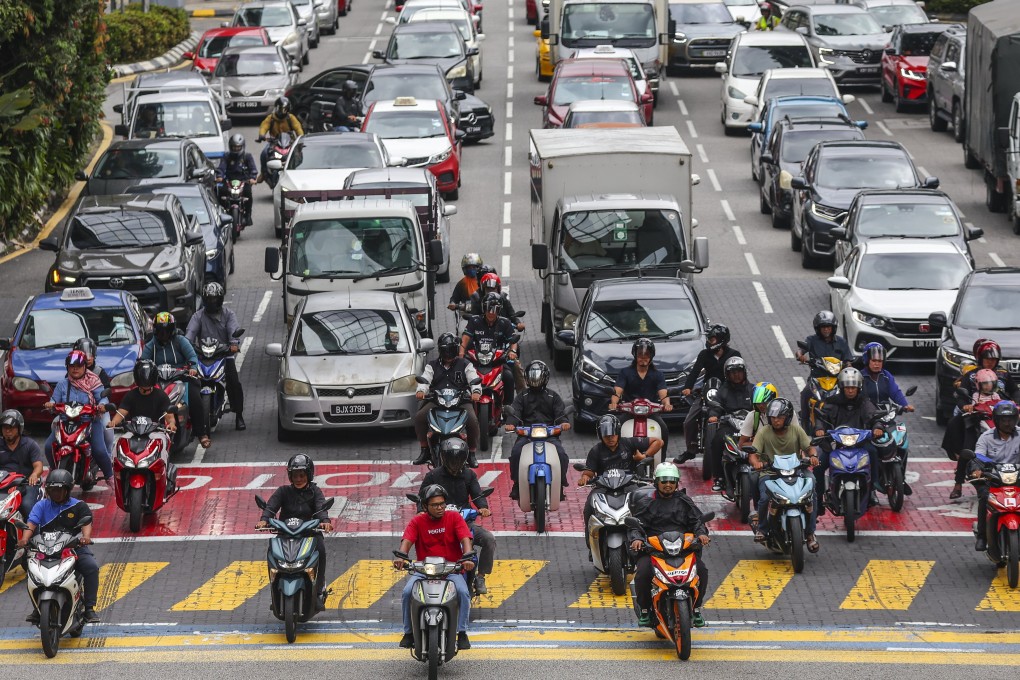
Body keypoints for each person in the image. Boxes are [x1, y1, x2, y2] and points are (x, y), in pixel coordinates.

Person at [628, 462, 710, 628]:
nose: (668, 485)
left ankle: (696, 609)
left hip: (683, 549)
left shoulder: (685, 501)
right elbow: (636, 526)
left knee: (702, 571)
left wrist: (701, 534)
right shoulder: (646, 503)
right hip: (654, 550)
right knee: (643, 573)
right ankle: (644, 610)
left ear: (677, 483)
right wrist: (636, 539)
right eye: (664, 481)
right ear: (656, 482)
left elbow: (697, 521)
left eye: (672, 481)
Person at [394, 484, 474, 650]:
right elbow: (407, 541)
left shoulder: (454, 517)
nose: (440, 508)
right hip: (423, 570)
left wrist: (467, 556)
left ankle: (462, 632)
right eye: (435, 505)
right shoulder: (417, 521)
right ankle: (408, 633)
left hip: (451, 569)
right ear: (425, 506)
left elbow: (465, 538)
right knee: (407, 592)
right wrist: (401, 557)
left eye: (442, 504)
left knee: (464, 593)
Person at [18, 469, 101, 623]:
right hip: (46, 549)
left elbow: (86, 523)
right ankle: (38, 608)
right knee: (31, 570)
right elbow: (31, 523)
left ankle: (89, 609)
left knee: (91, 567)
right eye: (52, 490)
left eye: (59, 490)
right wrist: (24, 539)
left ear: (68, 490)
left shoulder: (79, 506)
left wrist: (86, 537)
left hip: (73, 548)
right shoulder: (41, 505)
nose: (55, 493)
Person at [419, 439, 495, 594]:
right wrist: (421, 510)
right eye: (451, 459)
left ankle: (480, 576)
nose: (455, 463)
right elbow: (422, 497)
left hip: (465, 522)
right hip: (440, 523)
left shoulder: (469, 475)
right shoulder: (433, 475)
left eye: (458, 459)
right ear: (444, 458)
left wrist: (483, 507)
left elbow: (477, 494)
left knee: (488, 539)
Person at [257, 454, 333, 608]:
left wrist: (325, 522)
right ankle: (275, 591)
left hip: (310, 534)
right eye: (294, 475)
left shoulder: (315, 491)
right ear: (289, 476)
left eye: (302, 475)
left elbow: (321, 508)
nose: (298, 479)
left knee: (321, 550)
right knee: (271, 552)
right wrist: (264, 519)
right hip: (285, 534)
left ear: (309, 475)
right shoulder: (283, 491)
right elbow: (271, 507)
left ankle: (319, 589)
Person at [578, 414, 661, 550]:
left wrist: (644, 456)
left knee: (645, 504)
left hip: (630, 484)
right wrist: (585, 478)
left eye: (613, 435)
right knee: (588, 507)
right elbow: (589, 471)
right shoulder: (596, 451)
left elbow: (658, 442)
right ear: (600, 435)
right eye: (606, 436)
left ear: (618, 433)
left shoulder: (629, 443)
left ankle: (648, 537)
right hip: (603, 487)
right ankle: (590, 541)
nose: (610, 438)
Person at [748, 397, 819, 553]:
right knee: (765, 498)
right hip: (770, 472)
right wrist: (756, 463)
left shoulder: (796, 430)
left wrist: (813, 456)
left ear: (787, 417)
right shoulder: (764, 432)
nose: (776, 421)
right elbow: (753, 454)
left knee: (812, 489)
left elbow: (809, 448)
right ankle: (763, 528)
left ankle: (811, 533)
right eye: (773, 417)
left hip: (796, 470)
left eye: (779, 417)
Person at [815, 367, 888, 505]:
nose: (850, 390)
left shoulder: (864, 402)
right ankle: (818, 499)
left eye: (853, 388)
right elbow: (821, 418)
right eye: (847, 387)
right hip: (835, 444)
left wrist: (877, 427)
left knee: (873, 452)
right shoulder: (832, 402)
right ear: (842, 387)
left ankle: (872, 487)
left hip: (860, 443)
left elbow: (874, 416)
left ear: (859, 388)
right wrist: (819, 429)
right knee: (819, 465)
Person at [107, 360, 180, 498]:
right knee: (120, 443)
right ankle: (120, 475)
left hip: (156, 431)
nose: (144, 389)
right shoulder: (131, 395)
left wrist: (171, 424)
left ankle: (166, 479)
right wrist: (113, 422)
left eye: (147, 386)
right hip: (133, 431)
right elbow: (121, 413)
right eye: (142, 386)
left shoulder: (161, 396)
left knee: (164, 444)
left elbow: (169, 417)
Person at [43, 349, 114, 482]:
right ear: (67, 367)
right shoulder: (62, 384)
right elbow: (54, 400)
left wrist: (102, 405)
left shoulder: (93, 381)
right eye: (72, 366)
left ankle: (110, 477)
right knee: (48, 446)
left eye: (79, 366)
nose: (75, 369)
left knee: (99, 450)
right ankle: (53, 470)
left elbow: (102, 398)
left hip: (89, 421)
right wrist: (50, 404)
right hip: (65, 422)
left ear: (85, 367)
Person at [504, 360, 571, 500]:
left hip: (549, 435)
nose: (535, 380)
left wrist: (564, 423)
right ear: (527, 378)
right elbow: (515, 411)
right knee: (516, 452)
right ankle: (517, 483)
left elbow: (560, 413)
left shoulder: (553, 396)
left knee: (562, 454)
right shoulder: (522, 396)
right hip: (526, 435)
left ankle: (560, 483)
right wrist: (511, 423)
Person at [142, 312, 210, 448]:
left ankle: (201, 433)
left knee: (195, 398)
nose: (163, 334)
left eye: (166, 330)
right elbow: (143, 361)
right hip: (159, 380)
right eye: (160, 330)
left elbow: (192, 357)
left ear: (172, 329)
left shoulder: (180, 341)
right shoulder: (151, 345)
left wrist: (193, 368)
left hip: (183, 378)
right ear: (155, 330)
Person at [413, 332, 482, 466]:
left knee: (473, 420)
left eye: (451, 350)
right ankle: (425, 449)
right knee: (419, 417)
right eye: (445, 350)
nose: (448, 354)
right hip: (436, 401)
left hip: (460, 401)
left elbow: (474, 379)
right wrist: (421, 390)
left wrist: (476, 391)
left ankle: (472, 453)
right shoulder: (431, 365)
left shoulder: (465, 364)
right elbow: (425, 380)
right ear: (440, 350)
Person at [185, 282, 246, 431]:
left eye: (215, 299)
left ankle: (239, 415)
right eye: (209, 299)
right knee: (189, 381)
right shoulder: (198, 316)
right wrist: (186, 345)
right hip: (202, 356)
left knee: (233, 382)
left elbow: (234, 331)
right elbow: (190, 334)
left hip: (224, 355)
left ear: (220, 299)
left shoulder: (229, 314)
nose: (212, 302)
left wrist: (234, 343)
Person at [679, 323, 741, 463]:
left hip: (727, 393)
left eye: (712, 339)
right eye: (708, 339)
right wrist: (688, 387)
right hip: (706, 392)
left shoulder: (734, 355)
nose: (709, 342)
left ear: (722, 340)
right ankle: (691, 449)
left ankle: (737, 445)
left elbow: (739, 375)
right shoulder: (704, 354)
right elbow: (695, 372)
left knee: (738, 418)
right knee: (689, 421)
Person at [970, 401, 1020, 552]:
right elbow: (978, 456)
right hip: (993, 479)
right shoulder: (986, 437)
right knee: (984, 498)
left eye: (1010, 419)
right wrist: (978, 470)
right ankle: (982, 536)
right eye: (1004, 420)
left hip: (1017, 478)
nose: (1007, 423)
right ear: (996, 421)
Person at [703, 356, 754, 492]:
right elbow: (716, 406)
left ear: (744, 372)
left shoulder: (753, 389)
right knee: (717, 441)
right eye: (733, 372)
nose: (736, 375)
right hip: (730, 425)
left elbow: (761, 404)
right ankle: (719, 477)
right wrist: (713, 416)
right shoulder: (723, 391)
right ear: (727, 374)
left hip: (750, 425)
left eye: (739, 371)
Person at [796, 311, 854, 429]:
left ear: (833, 328)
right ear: (818, 328)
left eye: (828, 327)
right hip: (817, 378)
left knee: (851, 395)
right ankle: (804, 424)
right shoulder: (811, 340)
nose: (826, 330)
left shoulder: (841, 342)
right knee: (805, 393)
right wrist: (800, 355)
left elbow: (848, 360)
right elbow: (800, 351)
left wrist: (849, 366)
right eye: (823, 327)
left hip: (837, 380)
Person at [461, 292, 520, 405]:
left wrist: (512, 351)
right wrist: (461, 354)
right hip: (476, 360)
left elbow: (513, 341)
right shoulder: (474, 321)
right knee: (461, 374)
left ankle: (508, 407)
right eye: (489, 309)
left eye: (495, 310)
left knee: (509, 376)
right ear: (484, 308)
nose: (491, 313)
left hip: (498, 360)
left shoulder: (505, 323)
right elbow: (465, 338)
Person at [609, 337, 674, 415]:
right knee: (619, 426)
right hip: (629, 413)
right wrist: (614, 403)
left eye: (646, 354)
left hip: (651, 414)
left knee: (663, 427)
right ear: (635, 355)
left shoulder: (658, 374)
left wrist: (667, 404)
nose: (643, 357)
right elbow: (617, 392)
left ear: (651, 356)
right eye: (640, 354)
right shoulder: (625, 372)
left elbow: (663, 395)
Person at [0, 409, 45, 520]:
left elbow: (38, 466)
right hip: (3, 484)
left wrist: (34, 475)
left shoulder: (30, 444)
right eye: (5, 428)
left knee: (27, 506)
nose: (7, 431)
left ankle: (34, 535)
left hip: (25, 485)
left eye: (11, 428)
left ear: (19, 428)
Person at [856, 343, 913, 412]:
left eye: (880, 361)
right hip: (865, 415)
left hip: (885, 414)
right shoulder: (859, 376)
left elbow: (895, 392)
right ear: (867, 361)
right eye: (874, 360)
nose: (877, 364)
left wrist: (904, 405)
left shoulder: (886, 376)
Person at [257, 96, 305, 180]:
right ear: (276, 107)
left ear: (288, 109)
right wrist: (262, 135)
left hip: (289, 142)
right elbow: (264, 126)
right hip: (274, 142)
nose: (281, 111)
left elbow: (298, 128)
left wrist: (301, 138)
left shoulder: (291, 118)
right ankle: (263, 173)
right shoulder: (271, 118)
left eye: (284, 109)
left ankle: (300, 171)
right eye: (280, 108)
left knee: (299, 154)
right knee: (264, 153)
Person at [216, 133, 258, 227]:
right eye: (234, 147)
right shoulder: (226, 156)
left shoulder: (247, 156)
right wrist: (219, 176)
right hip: (229, 181)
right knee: (221, 193)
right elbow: (221, 168)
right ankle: (220, 215)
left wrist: (252, 178)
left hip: (244, 181)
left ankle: (247, 216)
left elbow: (253, 169)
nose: (236, 149)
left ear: (242, 146)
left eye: (238, 147)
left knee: (248, 194)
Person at [737, 381, 778, 450]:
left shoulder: (788, 414)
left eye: (764, 403)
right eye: (758, 403)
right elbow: (741, 444)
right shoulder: (752, 416)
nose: (761, 406)